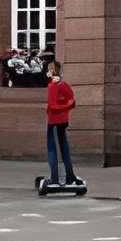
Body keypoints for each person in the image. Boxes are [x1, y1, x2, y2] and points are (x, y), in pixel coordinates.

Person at [45, 59, 78, 187]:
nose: (47, 72)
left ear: (52, 71)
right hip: (64, 121)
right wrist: (67, 106)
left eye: (49, 69)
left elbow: (53, 106)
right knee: (64, 148)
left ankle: (55, 178)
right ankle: (70, 176)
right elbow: (72, 101)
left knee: (52, 149)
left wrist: (63, 107)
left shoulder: (52, 86)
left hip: (54, 121)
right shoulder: (64, 85)